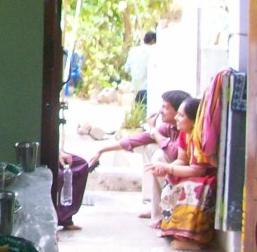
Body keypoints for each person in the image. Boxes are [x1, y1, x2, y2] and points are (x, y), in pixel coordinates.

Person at [88, 89, 190, 221]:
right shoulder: (169, 127)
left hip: (185, 170)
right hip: (175, 167)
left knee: (159, 155)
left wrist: (154, 130)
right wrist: (102, 150)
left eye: (165, 107)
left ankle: (160, 214)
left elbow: (174, 152)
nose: (160, 111)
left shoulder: (186, 129)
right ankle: (152, 203)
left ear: (178, 112)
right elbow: (137, 140)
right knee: (149, 147)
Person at [150, 96, 217, 250]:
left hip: (206, 178)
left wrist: (168, 168)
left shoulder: (199, 136)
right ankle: (174, 231)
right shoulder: (184, 134)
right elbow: (181, 160)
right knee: (171, 180)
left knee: (191, 187)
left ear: (193, 121)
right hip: (194, 173)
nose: (176, 118)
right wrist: (165, 168)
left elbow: (198, 170)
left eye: (181, 115)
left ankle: (195, 241)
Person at [55, 150, 89, 231]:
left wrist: (59, 153)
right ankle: (52, 219)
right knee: (59, 175)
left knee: (81, 164)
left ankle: (65, 218)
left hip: (53, 151)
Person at [124, 30, 156, 107]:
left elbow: (127, 69)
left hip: (136, 88)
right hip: (148, 89)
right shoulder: (154, 50)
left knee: (138, 109)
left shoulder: (133, 51)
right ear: (153, 40)